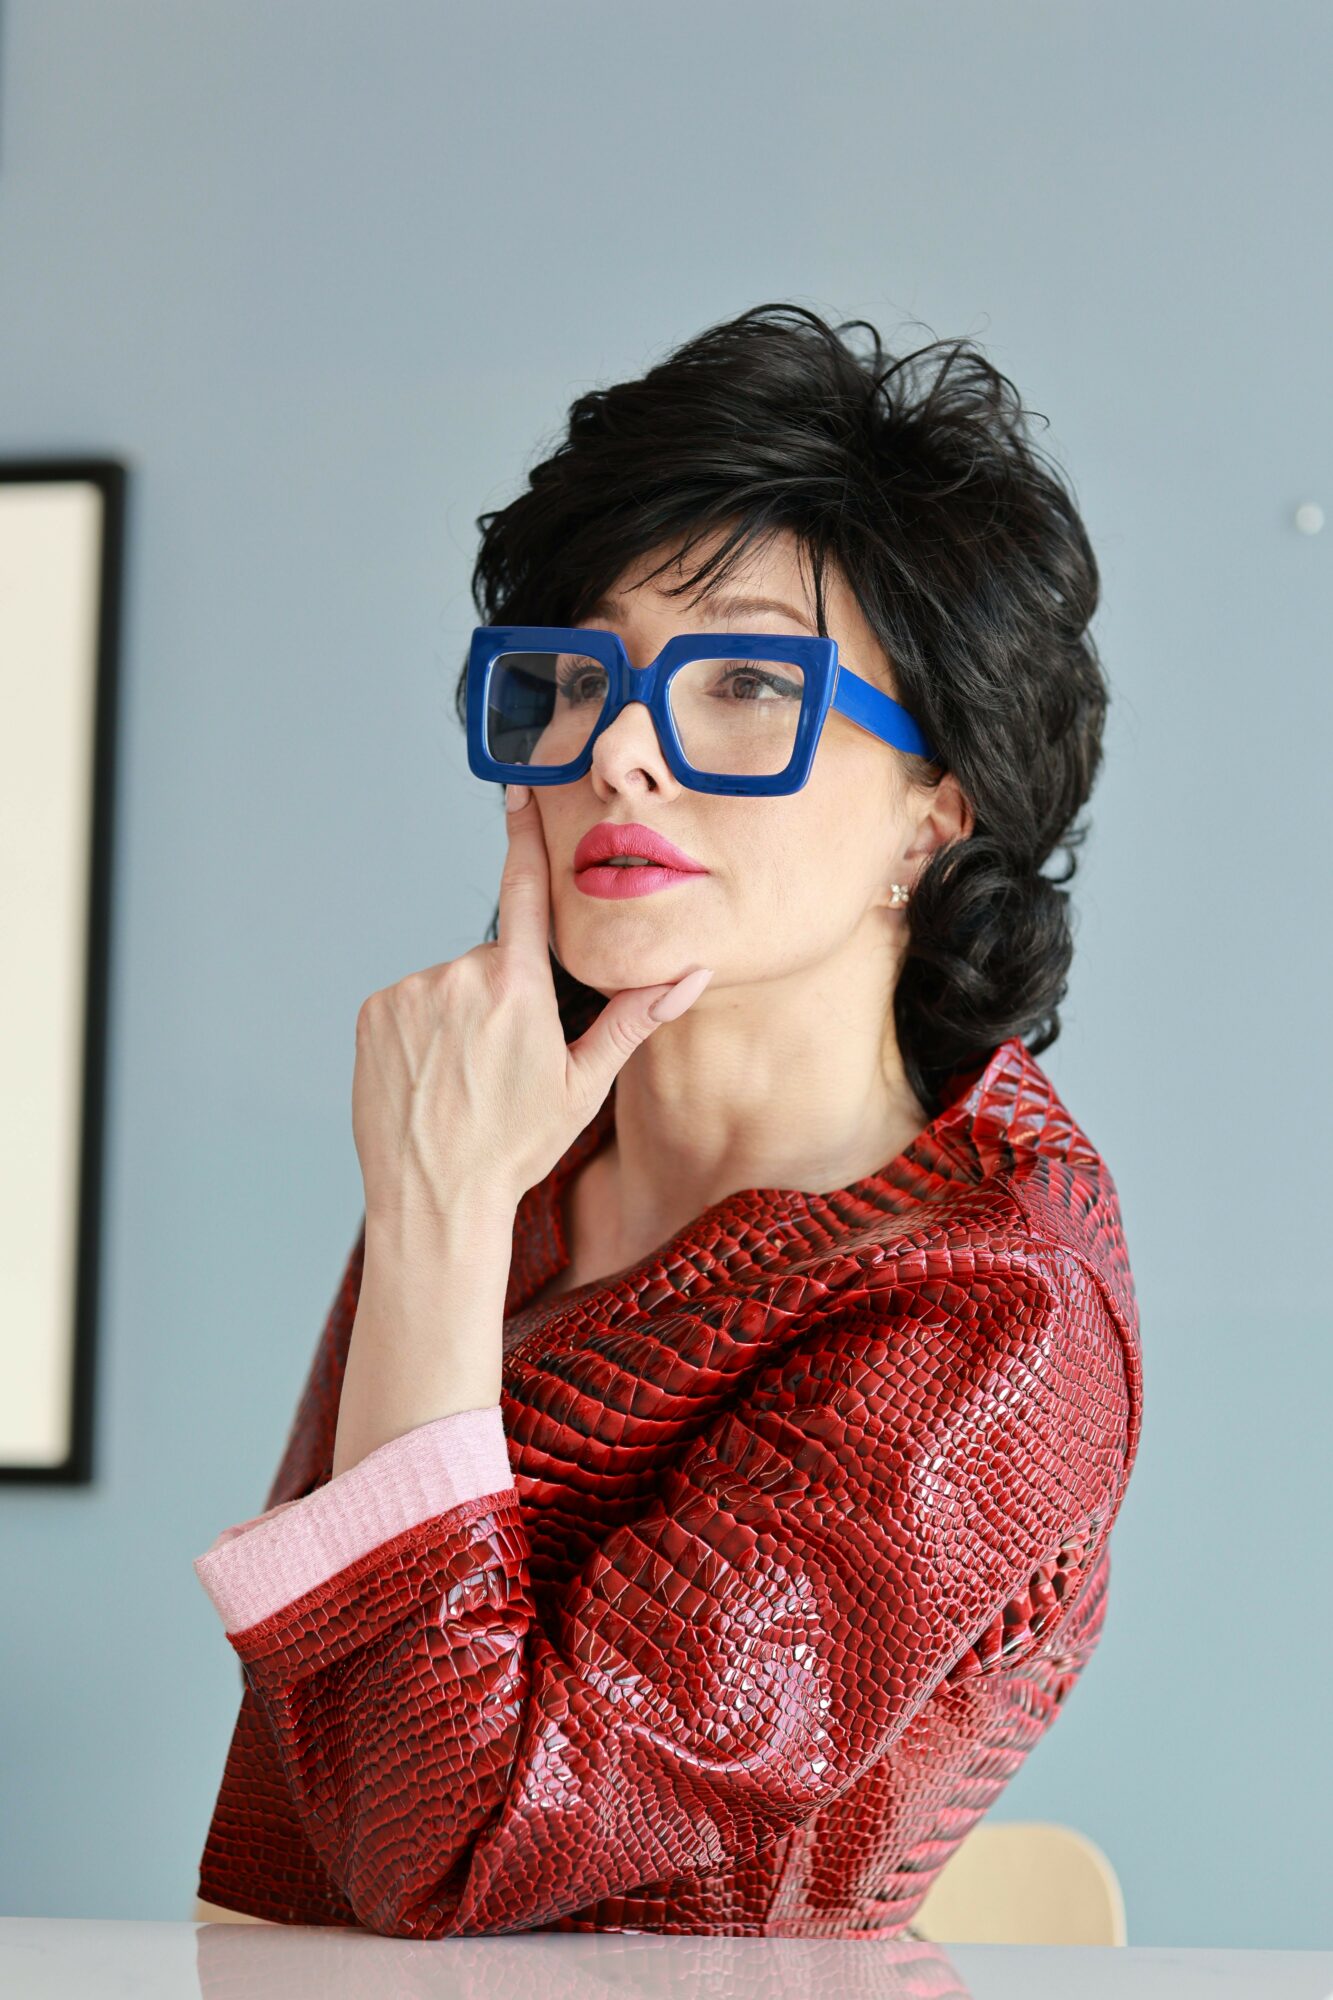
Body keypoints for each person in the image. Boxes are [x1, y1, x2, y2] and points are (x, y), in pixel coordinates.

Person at [191, 303, 1142, 1940]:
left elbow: (443, 1858)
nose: (618, 752)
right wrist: (447, 1209)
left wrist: (432, 1226)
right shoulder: (503, 1147)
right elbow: (310, 1794)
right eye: (576, 679)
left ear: (940, 803)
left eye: (745, 685)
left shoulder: (991, 1304)